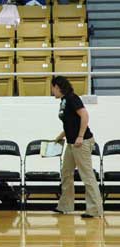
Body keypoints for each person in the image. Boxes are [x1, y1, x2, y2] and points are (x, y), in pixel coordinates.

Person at [51, 76, 103, 218]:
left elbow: (84, 115)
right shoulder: (63, 101)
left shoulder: (72, 98)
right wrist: (60, 137)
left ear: (57, 86)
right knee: (66, 173)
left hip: (82, 142)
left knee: (87, 175)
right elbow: (70, 122)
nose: (51, 91)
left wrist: (80, 136)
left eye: (52, 88)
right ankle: (65, 206)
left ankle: (95, 210)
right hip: (71, 143)